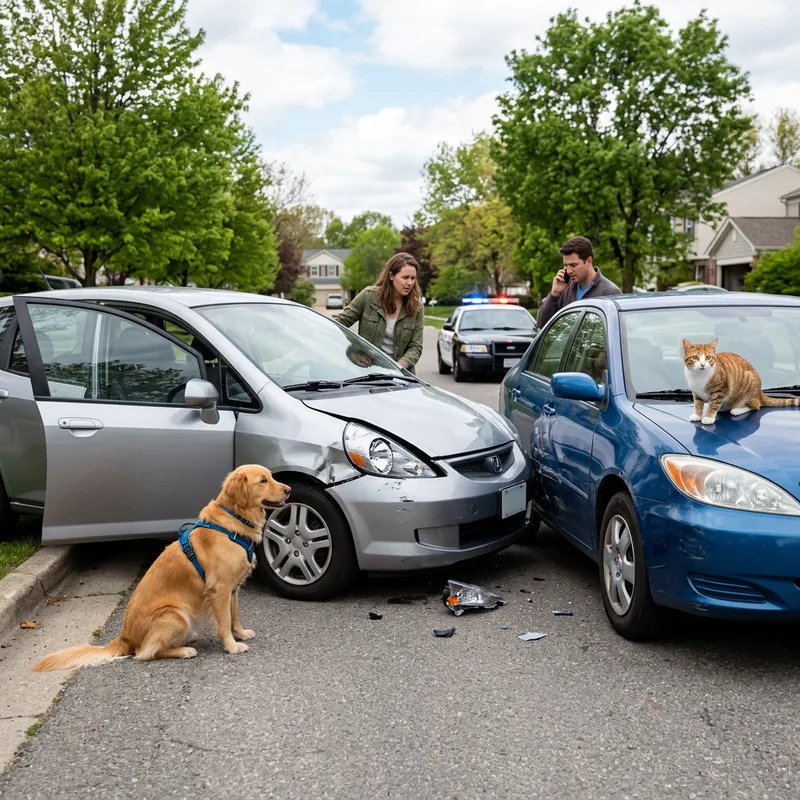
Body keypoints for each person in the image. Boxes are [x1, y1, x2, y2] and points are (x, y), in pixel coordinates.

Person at [334, 252, 424, 372]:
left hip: (401, 377)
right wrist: (351, 352)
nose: (410, 283)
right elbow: (338, 324)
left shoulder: (416, 307)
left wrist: (398, 368)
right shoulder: (368, 296)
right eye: (405, 277)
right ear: (391, 276)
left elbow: (416, 347)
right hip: (366, 373)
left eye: (413, 278)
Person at [537, 236, 621, 328]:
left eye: (573, 265)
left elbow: (615, 331)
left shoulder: (610, 293)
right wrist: (554, 294)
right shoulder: (565, 288)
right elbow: (542, 324)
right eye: (566, 265)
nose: (568, 271)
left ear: (589, 261)